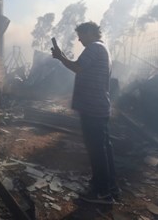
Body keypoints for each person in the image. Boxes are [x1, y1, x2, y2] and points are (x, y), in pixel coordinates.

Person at [51, 21, 119, 204]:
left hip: (92, 108)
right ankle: (109, 186)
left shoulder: (94, 48)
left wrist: (60, 56)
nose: (79, 39)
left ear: (90, 32)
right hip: (99, 107)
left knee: (96, 150)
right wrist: (62, 56)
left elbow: (77, 67)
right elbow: (80, 67)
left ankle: (103, 192)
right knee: (104, 148)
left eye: (81, 35)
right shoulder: (102, 48)